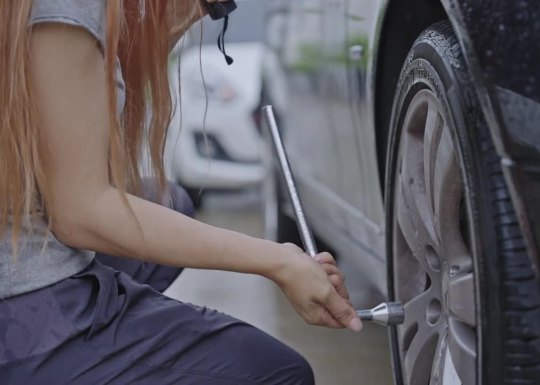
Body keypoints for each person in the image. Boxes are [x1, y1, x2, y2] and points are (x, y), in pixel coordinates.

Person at [0, 1, 362, 384]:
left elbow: (82, 162)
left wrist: (164, 25)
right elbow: (81, 212)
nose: (204, 15)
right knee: (279, 373)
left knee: (171, 201)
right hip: (20, 316)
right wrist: (279, 262)